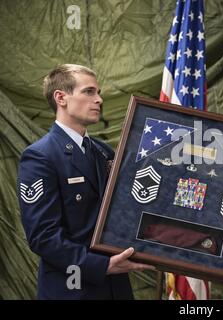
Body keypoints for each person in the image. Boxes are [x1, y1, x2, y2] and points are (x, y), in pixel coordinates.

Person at [17, 64, 153, 299]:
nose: (99, 99)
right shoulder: (40, 156)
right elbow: (43, 236)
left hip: (117, 286)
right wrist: (100, 266)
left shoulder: (103, 152)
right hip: (72, 287)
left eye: (98, 92)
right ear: (61, 98)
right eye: (89, 92)